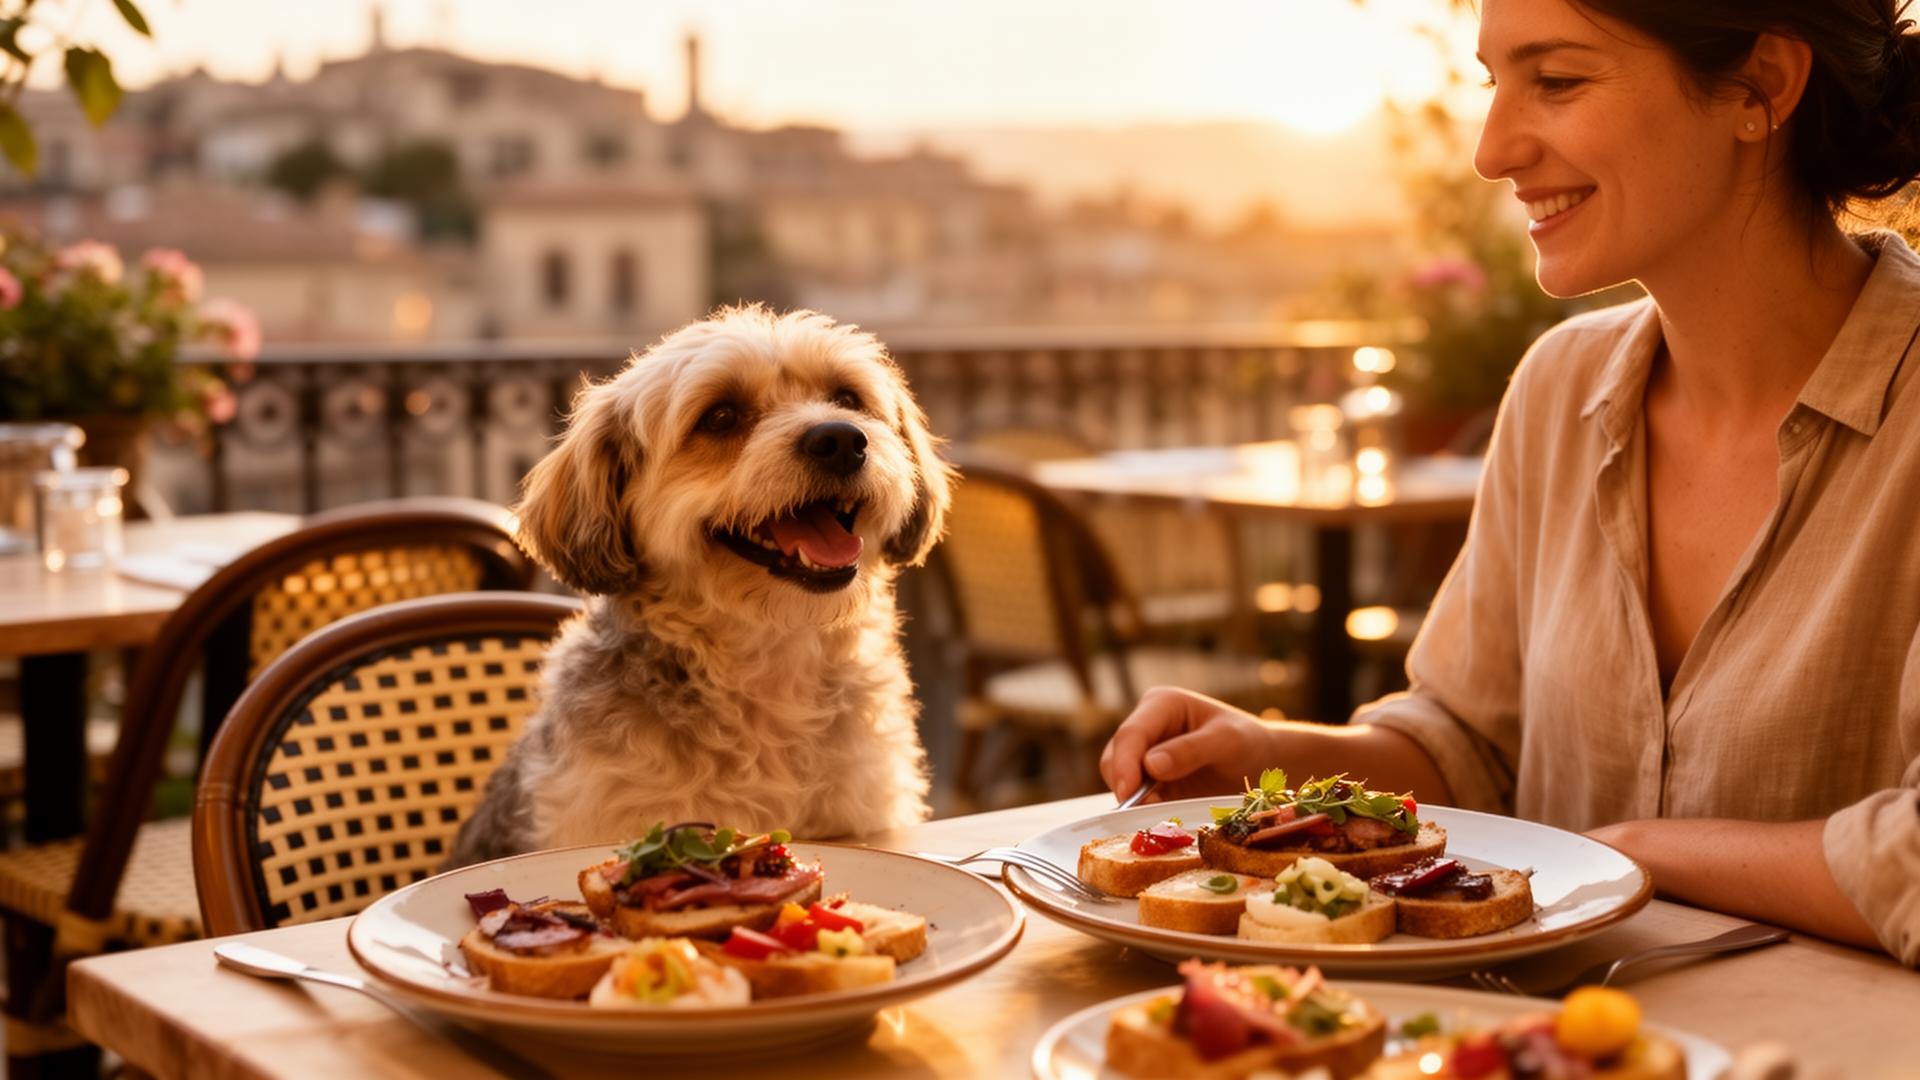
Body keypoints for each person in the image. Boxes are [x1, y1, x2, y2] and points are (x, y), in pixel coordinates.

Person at [1100, 0, 1920, 965]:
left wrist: (1633, 853)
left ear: (1760, 86)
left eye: (1558, 81)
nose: (1491, 151)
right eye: (1495, 83)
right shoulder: (1557, 392)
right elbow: (1468, 747)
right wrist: (1276, 757)